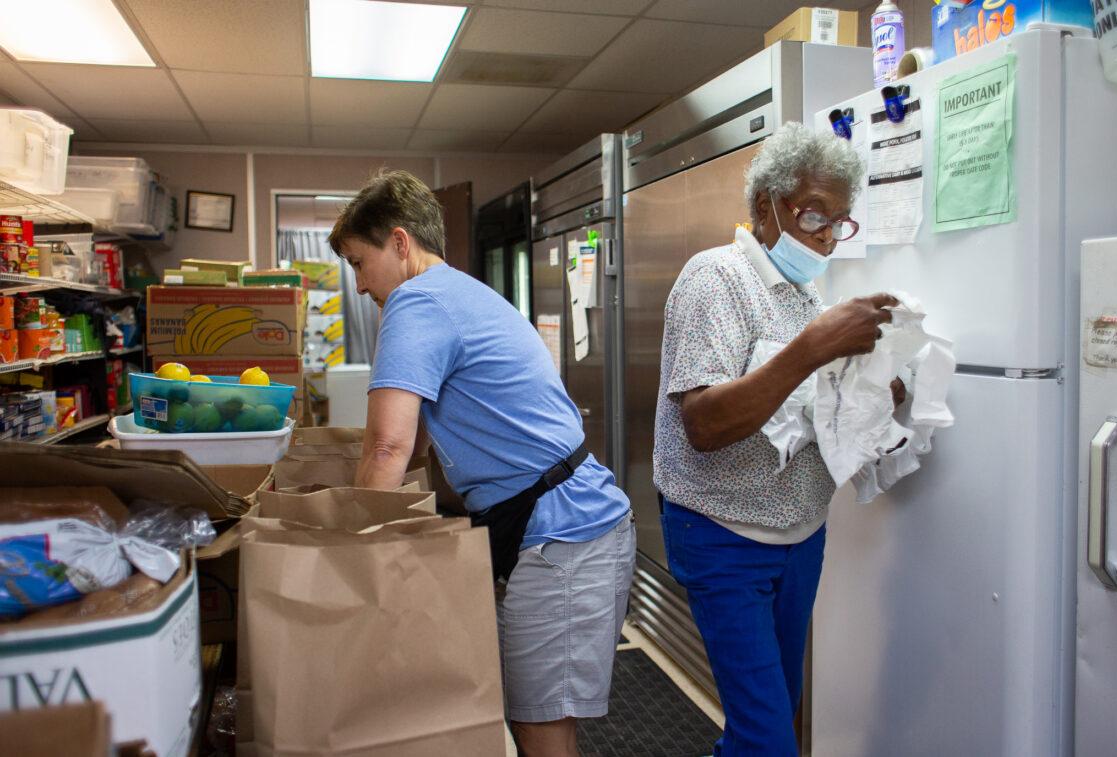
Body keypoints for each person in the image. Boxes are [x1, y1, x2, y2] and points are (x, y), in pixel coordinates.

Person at [331, 170, 635, 757]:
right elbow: (416, 444)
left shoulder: (416, 301)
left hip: (564, 531)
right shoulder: (458, 292)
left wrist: (343, 560)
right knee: (523, 713)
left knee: (541, 728)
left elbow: (388, 449)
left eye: (358, 262)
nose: (361, 283)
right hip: (547, 519)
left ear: (399, 243)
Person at [653, 123, 899, 756]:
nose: (825, 233)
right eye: (815, 212)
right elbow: (704, 424)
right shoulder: (715, 280)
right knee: (768, 738)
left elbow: (806, 408)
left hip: (799, 535)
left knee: (772, 716)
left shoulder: (806, 293)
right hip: (722, 533)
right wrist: (815, 346)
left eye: (839, 220)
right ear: (766, 205)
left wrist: (877, 392)